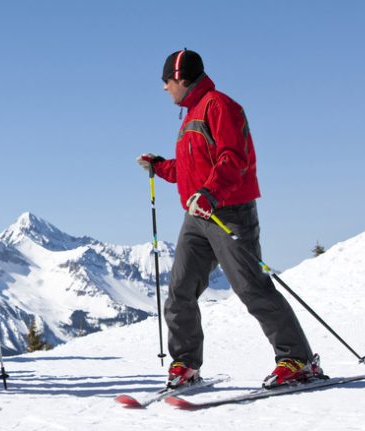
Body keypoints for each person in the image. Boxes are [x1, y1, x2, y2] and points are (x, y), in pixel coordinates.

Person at [137, 49, 321, 389]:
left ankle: (298, 360)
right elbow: (192, 172)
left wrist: (210, 194)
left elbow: (233, 158)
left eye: (166, 81)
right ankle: (185, 364)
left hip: (229, 211)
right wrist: (160, 165)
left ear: (180, 78)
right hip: (197, 216)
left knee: (251, 286)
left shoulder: (219, 106)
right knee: (180, 290)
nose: (164, 89)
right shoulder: (191, 114)